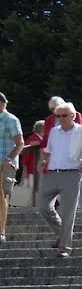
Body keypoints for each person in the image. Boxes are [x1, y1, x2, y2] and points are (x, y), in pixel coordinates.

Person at [37, 102, 82, 257]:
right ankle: (62, 233)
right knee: (42, 205)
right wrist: (44, 162)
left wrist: (81, 171)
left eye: (64, 116)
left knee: (68, 212)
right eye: (58, 116)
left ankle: (65, 248)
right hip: (52, 173)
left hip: (71, 174)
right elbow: (49, 150)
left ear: (73, 116)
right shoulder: (54, 131)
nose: (61, 119)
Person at [0, 91, 25, 245]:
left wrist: (9, 159)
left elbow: (20, 143)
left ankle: (1, 231)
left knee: (2, 197)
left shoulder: (10, 119)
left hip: (4, 164)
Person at [20, 120, 46, 201]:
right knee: (32, 191)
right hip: (32, 171)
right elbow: (26, 157)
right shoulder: (33, 138)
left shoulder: (40, 140)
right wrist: (25, 171)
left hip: (40, 170)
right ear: (42, 128)